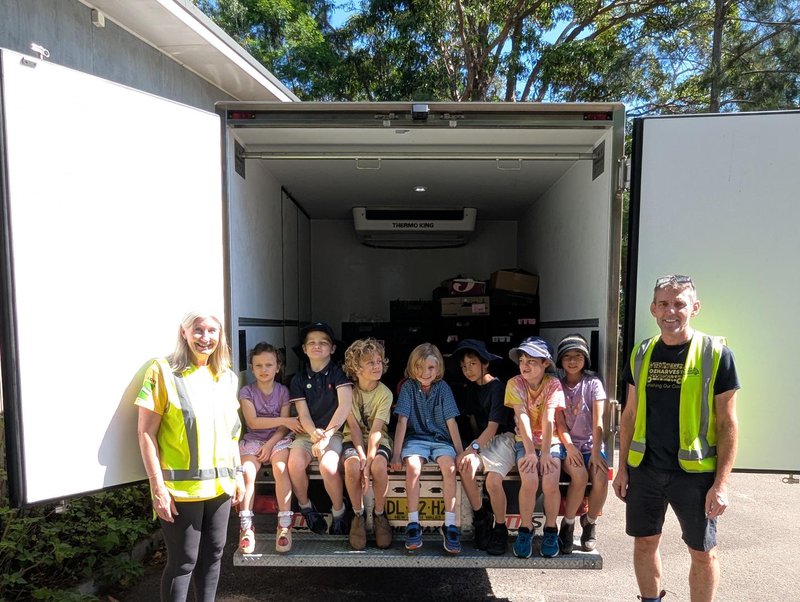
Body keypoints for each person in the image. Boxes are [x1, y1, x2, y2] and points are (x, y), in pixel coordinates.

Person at [613, 275, 739, 602]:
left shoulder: (716, 354)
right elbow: (629, 415)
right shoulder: (641, 353)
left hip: (695, 475)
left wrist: (721, 484)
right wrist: (622, 468)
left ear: (694, 308)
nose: (671, 311)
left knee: (703, 553)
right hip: (645, 469)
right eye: (664, 304)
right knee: (644, 542)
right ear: (653, 308)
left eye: (679, 304)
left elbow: (728, 423)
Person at [136, 311, 244, 602]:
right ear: (183, 333)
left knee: (214, 556)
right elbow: (145, 433)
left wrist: (238, 476)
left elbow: (232, 433)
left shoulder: (226, 377)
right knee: (183, 562)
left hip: (221, 487)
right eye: (198, 330)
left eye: (212, 331)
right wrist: (158, 488)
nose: (205, 338)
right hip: (181, 490)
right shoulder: (162, 371)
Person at [390, 343, 464, 554]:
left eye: (430, 368)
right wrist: (396, 454)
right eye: (420, 367)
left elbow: (451, 422)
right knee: (413, 467)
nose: (425, 373)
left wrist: (460, 453)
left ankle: (450, 524)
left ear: (438, 368)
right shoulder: (408, 387)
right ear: (412, 367)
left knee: (449, 468)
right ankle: (413, 522)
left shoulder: (443, 388)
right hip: (416, 439)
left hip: (441, 440)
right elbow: (402, 421)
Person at [449, 339, 516, 555]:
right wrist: (469, 447)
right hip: (481, 441)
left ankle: (500, 528)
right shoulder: (470, 388)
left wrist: (472, 448)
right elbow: (471, 420)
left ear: (485, 363)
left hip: (503, 439)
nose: (468, 370)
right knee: (465, 466)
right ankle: (481, 518)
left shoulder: (498, 388)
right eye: (464, 366)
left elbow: (493, 426)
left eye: (472, 364)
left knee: (493, 481)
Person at [287, 322, 354, 536]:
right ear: (304, 349)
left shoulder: (339, 374)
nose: (317, 346)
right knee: (294, 464)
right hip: (308, 433)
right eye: (312, 343)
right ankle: (306, 508)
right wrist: (313, 432)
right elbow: (303, 414)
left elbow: (344, 406)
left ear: (332, 348)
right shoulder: (298, 379)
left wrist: (326, 436)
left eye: (323, 343)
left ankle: (339, 512)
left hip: (333, 433)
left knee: (328, 466)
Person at [237, 342, 302, 554]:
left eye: (269, 365)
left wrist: (270, 444)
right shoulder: (247, 392)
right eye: (258, 365)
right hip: (254, 440)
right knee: (247, 472)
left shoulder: (283, 391)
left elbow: (284, 428)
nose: (264, 370)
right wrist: (285, 421)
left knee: (281, 469)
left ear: (278, 367)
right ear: (252, 368)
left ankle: (284, 524)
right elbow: (253, 422)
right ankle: (246, 526)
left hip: (277, 439)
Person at [504, 336, 565, 559]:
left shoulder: (553, 384)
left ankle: (550, 529)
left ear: (545, 363)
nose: (525, 366)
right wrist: (531, 452)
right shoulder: (514, 383)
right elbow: (521, 417)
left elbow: (549, 419)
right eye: (522, 360)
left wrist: (545, 453)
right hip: (525, 440)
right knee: (529, 481)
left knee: (550, 482)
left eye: (531, 361)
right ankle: (525, 529)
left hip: (552, 440)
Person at [554, 333, 606, 554]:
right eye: (567, 356)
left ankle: (590, 522)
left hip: (592, 445)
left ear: (585, 359)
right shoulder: (556, 385)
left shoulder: (593, 383)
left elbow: (598, 420)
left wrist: (595, 452)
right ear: (560, 361)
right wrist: (570, 447)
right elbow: (559, 424)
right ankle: (567, 524)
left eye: (578, 355)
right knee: (580, 476)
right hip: (567, 445)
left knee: (601, 479)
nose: (573, 360)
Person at [341, 338, 394, 550]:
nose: (377, 366)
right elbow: (354, 428)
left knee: (379, 466)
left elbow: (376, 431)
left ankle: (379, 514)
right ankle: (358, 514)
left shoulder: (385, 393)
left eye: (379, 361)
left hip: (378, 440)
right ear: (357, 368)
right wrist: (362, 458)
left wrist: (369, 461)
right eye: (370, 362)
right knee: (352, 466)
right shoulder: (348, 392)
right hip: (352, 440)